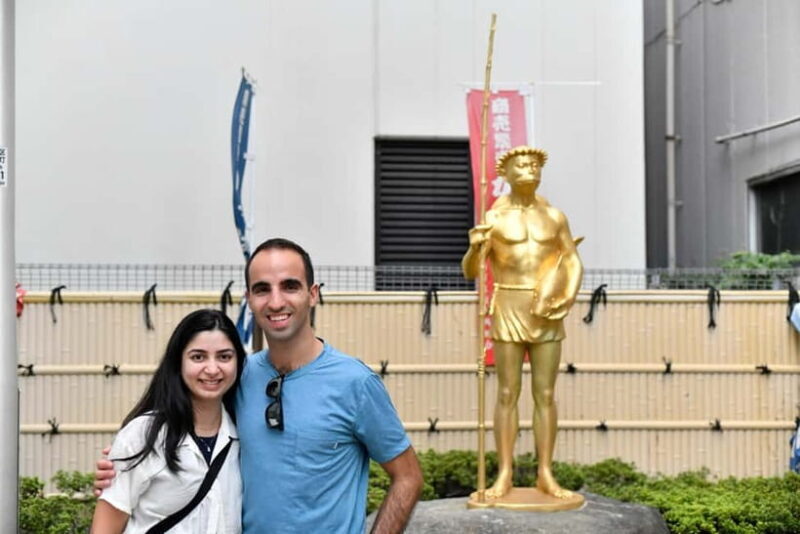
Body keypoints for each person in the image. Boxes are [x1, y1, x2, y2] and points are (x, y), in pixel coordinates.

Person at [97, 238, 423, 533]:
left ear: (313, 294)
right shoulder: (238, 376)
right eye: (263, 289)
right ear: (249, 299)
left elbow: (408, 476)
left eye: (290, 286)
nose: (276, 301)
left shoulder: (355, 383)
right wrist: (125, 464)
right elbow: (190, 431)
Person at [462, 146, 583, 502]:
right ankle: (504, 473)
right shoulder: (493, 218)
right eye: (521, 165)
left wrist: (568, 296)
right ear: (507, 172)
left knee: (545, 393)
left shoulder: (555, 216)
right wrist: (473, 248)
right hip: (510, 304)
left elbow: (572, 260)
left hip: (546, 307)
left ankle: (545, 472)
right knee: (506, 393)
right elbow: (471, 271)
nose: (529, 169)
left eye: (534, 164)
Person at [91, 309, 245, 533]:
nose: (212, 369)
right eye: (198, 357)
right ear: (178, 362)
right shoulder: (143, 434)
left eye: (224, 357)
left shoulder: (246, 434)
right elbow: (106, 528)